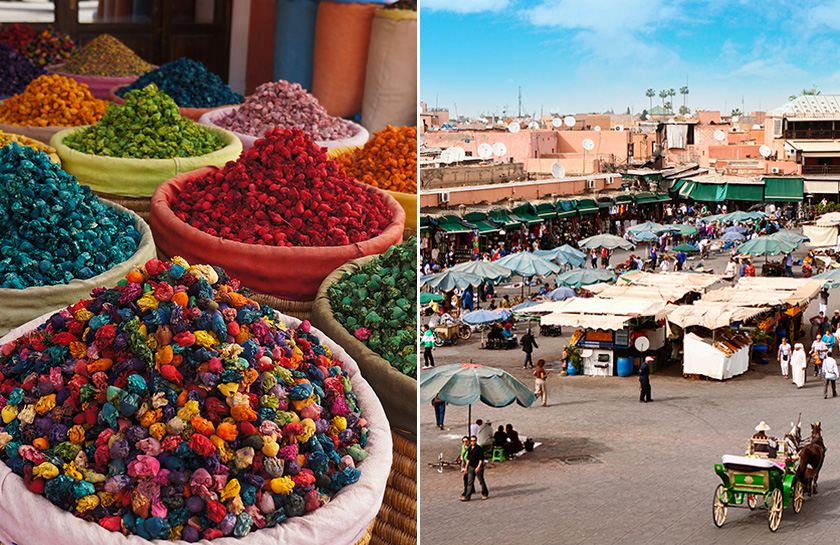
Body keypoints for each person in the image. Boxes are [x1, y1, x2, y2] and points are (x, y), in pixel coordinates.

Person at [461, 436, 488, 501]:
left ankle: (485, 493)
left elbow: (481, 459)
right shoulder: (470, 448)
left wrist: (478, 467)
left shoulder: (479, 449)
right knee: (469, 482)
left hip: (478, 467)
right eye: (472, 440)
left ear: (476, 441)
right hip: (471, 467)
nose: (473, 442)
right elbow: (468, 459)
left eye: (474, 440)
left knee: (481, 481)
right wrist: (466, 467)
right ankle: (467, 496)